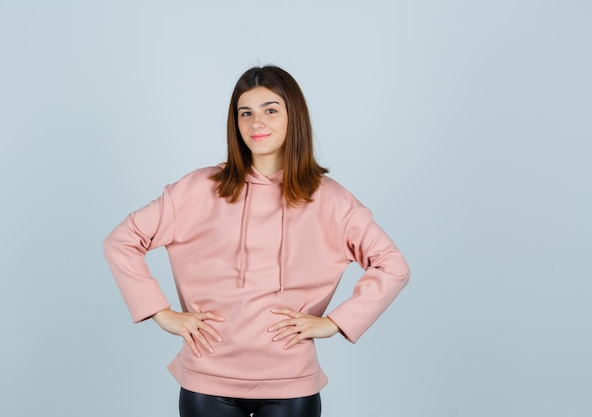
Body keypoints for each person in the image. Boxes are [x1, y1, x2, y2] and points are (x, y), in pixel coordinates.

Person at [103, 65, 410, 417]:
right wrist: (161, 313)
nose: (256, 123)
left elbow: (392, 265)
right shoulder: (198, 189)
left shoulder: (331, 200)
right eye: (245, 113)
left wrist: (335, 323)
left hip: (291, 383)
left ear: (294, 117)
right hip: (208, 380)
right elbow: (122, 240)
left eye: (270, 110)